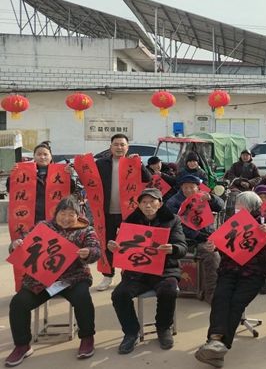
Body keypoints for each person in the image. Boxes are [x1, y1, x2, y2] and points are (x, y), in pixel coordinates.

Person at [5, 197, 100, 366]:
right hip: (41, 280)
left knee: (83, 297)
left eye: (71, 214)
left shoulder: (86, 230)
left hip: (73, 278)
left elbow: (96, 250)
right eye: (63, 213)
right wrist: (15, 245)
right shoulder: (43, 227)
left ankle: (87, 338)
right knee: (18, 303)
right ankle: (22, 345)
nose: (66, 218)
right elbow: (23, 242)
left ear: (78, 215)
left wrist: (89, 252)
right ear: (56, 214)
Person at [194, 192, 266, 367]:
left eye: (243, 206)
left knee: (236, 302)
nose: (239, 208)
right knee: (220, 297)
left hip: (253, 273)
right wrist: (213, 246)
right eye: (237, 205)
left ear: (253, 207)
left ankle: (219, 345)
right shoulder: (231, 222)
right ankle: (215, 339)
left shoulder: (263, 222)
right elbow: (221, 244)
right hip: (229, 270)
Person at [110, 188, 187, 353]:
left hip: (165, 270)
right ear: (138, 205)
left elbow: (182, 247)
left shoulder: (172, 220)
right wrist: (114, 247)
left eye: (152, 201)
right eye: (144, 202)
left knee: (169, 291)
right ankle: (131, 332)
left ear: (160, 203)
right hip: (137, 273)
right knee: (119, 295)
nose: (148, 205)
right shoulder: (130, 221)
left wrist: (173, 248)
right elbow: (121, 247)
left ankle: (163, 328)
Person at [95, 134, 151, 291]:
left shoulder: (133, 163)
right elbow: (88, 179)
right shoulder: (101, 164)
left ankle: (128, 276)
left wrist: (140, 164)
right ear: (110, 147)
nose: (119, 147)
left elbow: (147, 178)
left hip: (128, 212)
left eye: (122, 144)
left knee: (129, 244)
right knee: (107, 243)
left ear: (127, 147)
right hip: (106, 212)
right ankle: (108, 276)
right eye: (116, 144)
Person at [166, 174, 223, 304]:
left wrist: (212, 198)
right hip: (188, 240)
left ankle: (223, 289)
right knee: (212, 255)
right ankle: (211, 294)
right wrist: (198, 236)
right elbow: (176, 226)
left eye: (192, 187)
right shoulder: (173, 202)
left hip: (209, 236)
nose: (189, 190)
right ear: (181, 187)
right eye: (185, 187)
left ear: (198, 187)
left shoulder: (203, 196)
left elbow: (220, 206)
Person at [6, 141, 76, 224]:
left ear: (51, 156)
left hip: (55, 217)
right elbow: (11, 190)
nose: (42, 157)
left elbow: (71, 191)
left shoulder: (61, 173)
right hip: (32, 218)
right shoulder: (24, 173)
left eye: (45, 154)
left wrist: (69, 176)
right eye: (39, 154)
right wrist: (13, 175)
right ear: (34, 157)